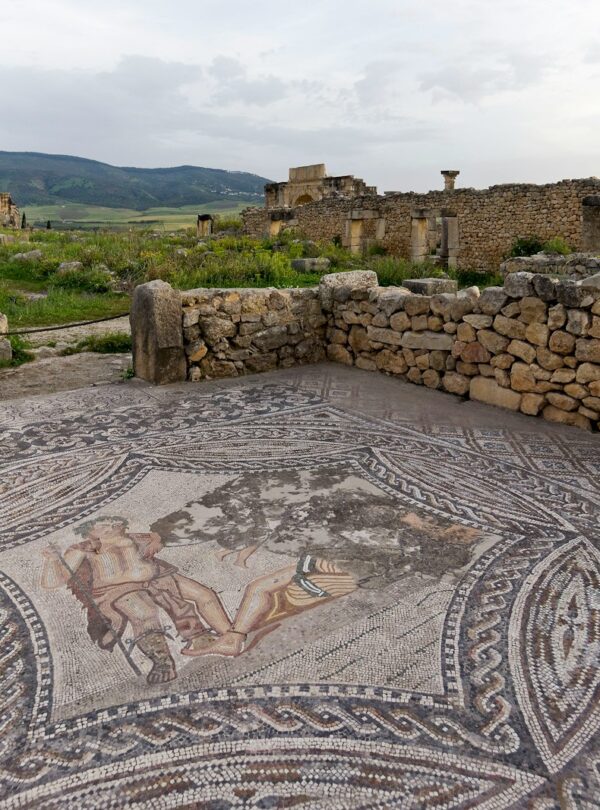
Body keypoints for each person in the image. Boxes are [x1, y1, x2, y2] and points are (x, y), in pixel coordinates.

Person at [40, 517, 233, 684]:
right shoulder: (83, 549)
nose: (109, 527)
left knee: (204, 593)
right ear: (89, 531)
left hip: (158, 578)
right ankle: (162, 661)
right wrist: (51, 560)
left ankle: (222, 637)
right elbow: (53, 582)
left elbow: (169, 533)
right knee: (143, 610)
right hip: (115, 589)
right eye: (101, 526)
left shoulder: (136, 538)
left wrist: (158, 537)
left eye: (112, 523)